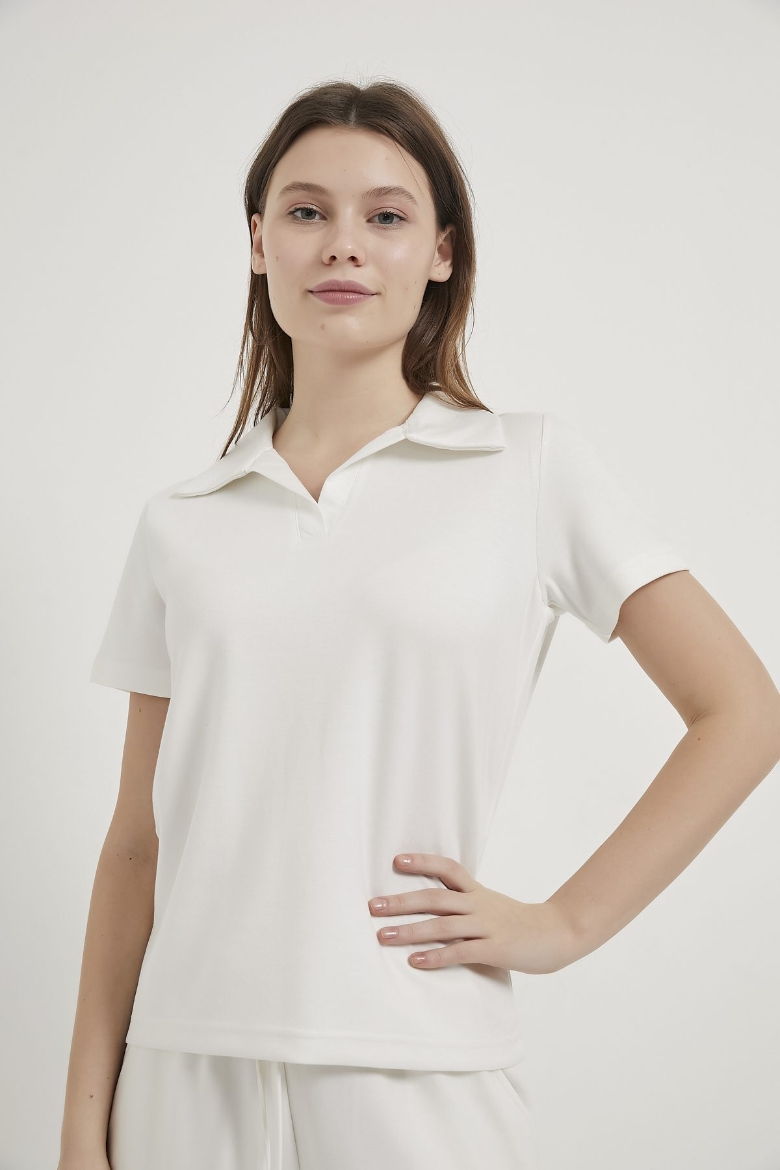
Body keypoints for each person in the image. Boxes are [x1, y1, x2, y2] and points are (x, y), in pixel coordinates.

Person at [58, 79, 780, 1170]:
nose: (343, 243)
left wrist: (565, 923)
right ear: (258, 242)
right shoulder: (182, 521)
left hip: (419, 1070)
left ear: (442, 251)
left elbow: (741, 711)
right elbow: (134, 845)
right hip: (182, 1076)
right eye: (306, 211)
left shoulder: (527, 468)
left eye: (386, 215)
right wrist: (82, 1125)